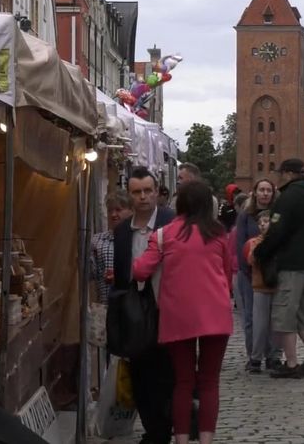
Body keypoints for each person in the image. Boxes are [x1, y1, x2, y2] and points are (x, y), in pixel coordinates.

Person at [133, 182, 235, 444]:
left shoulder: (164, 234)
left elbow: (141, 271)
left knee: (183, 382)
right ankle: (205, 440)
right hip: (215, 313)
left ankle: (180, 440)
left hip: (178, 315)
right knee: (210, 381)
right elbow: (227, 273)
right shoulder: (218, 234)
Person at [111, 166, 176, 444]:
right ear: (130, 194)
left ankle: (163, 430)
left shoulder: (171, 222)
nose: (143, 197)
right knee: (139, 375)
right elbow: (121, 273)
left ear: (157, 190)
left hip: (167, 309)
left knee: (165, 374)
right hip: (135, 313)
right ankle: (153, 430)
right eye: (137, 192)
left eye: (148, 191)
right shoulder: (123, 230)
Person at [253, 159, 304, 379]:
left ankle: (291, 363)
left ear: (288, 174)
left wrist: (261, 252)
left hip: (292, 264)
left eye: (281, 173)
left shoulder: (286, 198)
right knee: (303, 315)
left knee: (285, 314)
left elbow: (277, 232)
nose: (279, 177)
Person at [234, 179, 281, 372]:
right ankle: (254, 356)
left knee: (273, 318)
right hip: (249, 273)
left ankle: (273, 356)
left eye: (268, 190)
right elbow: (240, 244)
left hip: (273, 273)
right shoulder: (246, 215)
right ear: (255, 193)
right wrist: (246, 268)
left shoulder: (278, 215)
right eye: (261, 190)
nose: (265, 193)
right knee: (251, 318)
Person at [89, 192, 134, 303]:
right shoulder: (97, 241)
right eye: (110, 211)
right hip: (106, 307)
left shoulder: (139, 239)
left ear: (131, 211)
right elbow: (90, 275)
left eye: (118, 210)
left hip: (134, 308)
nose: (113, 214)